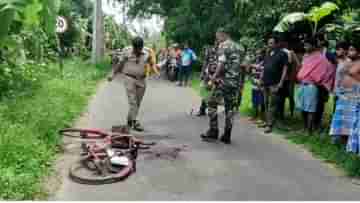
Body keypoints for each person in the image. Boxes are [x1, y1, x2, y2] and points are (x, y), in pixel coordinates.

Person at [200, 27, 245, 144]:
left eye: (217, 37)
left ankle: (213, 131)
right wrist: (241, 83)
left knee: (211, 103)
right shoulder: (240, 47)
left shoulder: (223, 46)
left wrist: (212, 79)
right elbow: (244, 66)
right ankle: (227, 135)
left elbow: (221, 64)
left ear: (223, 34)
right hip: (235, 83)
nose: (217, 40)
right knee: (230, 109)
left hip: (222, 82)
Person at [108, 37, 154, 132]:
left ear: (141, 47)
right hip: (129, 79)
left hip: (142, 80)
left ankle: (130, 120)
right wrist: (112, 74)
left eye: (139, 48)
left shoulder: (147, 53)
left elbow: (151, 64)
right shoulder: (127, 53)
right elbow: (120, 65)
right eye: (136, 48)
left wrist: (154, 67)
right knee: (133, 102)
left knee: (137, 103)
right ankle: (135, 122)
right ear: (133, 47)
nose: (137, 50)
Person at [296, 37, 336, 136]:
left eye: (307, 45)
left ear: (314, 46)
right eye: (304, 45)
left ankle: (309, 130)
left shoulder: (321, 58)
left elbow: (329, 69)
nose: (305, 46)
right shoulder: (306, 56)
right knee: (303, 108)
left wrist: (320, 80)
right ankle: (304, 128)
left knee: (310, 109)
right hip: (302, 84)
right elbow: (302, 68)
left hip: (312, 86)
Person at [259, 35, 289, 134]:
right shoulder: (268, 53)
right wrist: (261, 78)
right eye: (268, 43)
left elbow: (285, 69)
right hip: (266, 82)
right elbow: (265, 67)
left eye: (271, 43)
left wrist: (281, 83)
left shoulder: (283, 54)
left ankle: (269, 125)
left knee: (272, 104)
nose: (269, 44)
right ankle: (267, 121)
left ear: (277, 44)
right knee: (266, 102)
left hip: (275, 83)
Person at [330, 42, 359, 146]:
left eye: (353, 50)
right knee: (341, 121)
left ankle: (349, 145)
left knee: (352, 122)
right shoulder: (344, 63)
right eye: (349, 49)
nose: (349, 52)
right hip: (342, 97)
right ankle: (340, 143)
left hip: (355, 97)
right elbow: (339, 78)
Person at [196, 43, 218, 116]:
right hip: (208, 74)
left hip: (218, 75)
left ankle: (212, 111)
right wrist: (202, 73)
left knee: (215, 93)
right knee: (206, 92)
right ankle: (202, 109)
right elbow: (205, 61)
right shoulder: (209, 50)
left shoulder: (223, 51)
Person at [248, 49, 266, 122]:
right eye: (257, 54)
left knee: (261, 102)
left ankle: (261, 117)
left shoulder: (265, 62)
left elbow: (263, 71)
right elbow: (251, 70)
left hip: (261, 85)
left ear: (263, 54)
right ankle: (254, 115)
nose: (258, 55)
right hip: (254, 84)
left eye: (259, 54)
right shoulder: (255, 61)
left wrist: (260, 82)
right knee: (254, 101)